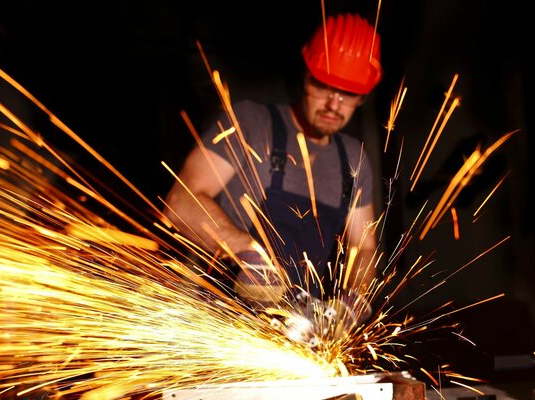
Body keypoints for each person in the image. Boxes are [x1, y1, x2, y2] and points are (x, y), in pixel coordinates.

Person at [164, 13, 382, 321]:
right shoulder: (252, 124)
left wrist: (354, 302)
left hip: (292, 336)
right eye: (324, 85)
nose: (334, 104)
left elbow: (364, 245)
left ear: (362, 97)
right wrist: (245, 250)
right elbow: (180, 202)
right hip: (212, 321)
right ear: (306, 76)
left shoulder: (353, 158)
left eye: (348, 93)